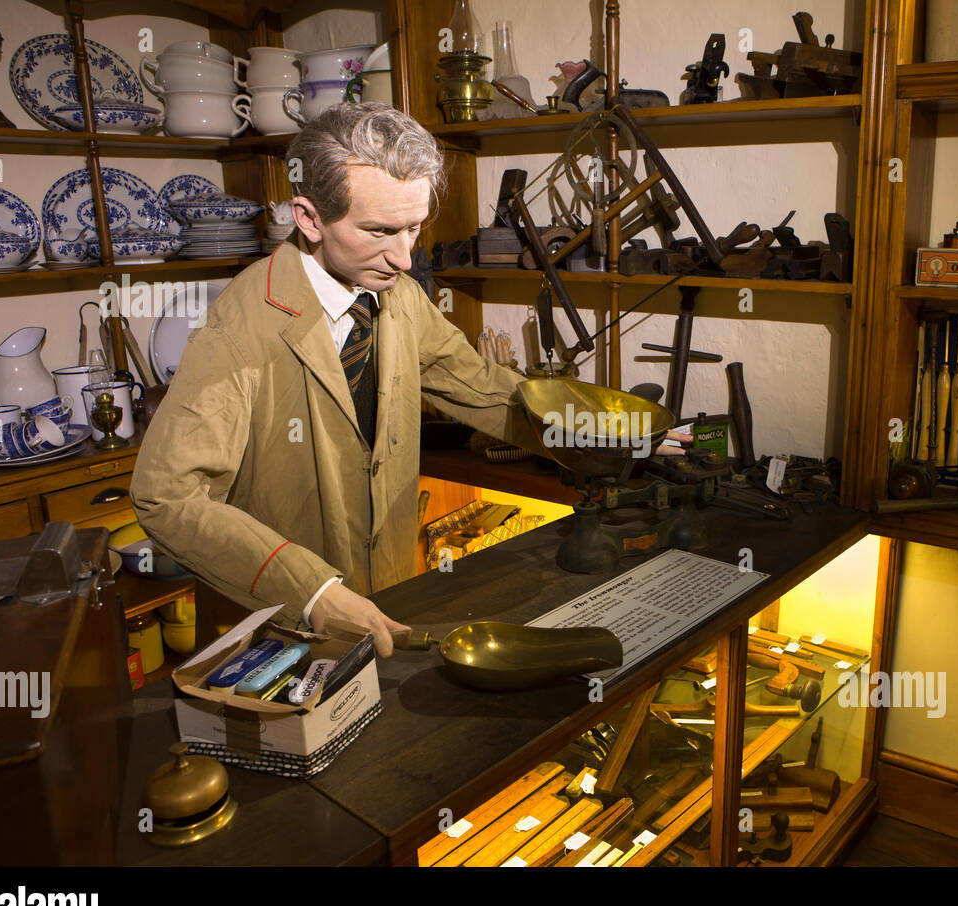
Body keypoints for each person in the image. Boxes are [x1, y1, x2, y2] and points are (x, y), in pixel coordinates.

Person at [132, 103, 679, 658]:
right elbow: (168, 497)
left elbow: (481, 387)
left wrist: (606, 430)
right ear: (309, 218)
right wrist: (312, 589)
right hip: (282, 631)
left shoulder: (398, 296)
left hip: (389, 598)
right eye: (378, 231)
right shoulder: (240, 326)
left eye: (414, 229)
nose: (402, 258)